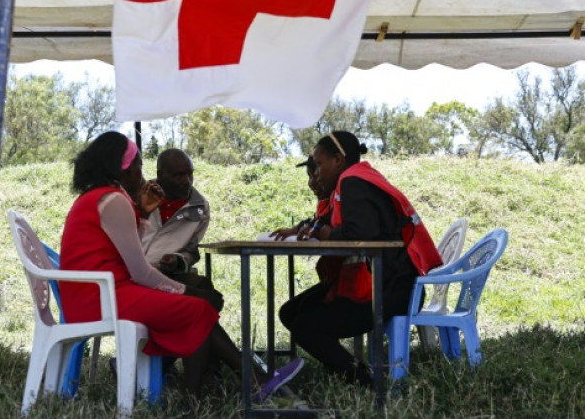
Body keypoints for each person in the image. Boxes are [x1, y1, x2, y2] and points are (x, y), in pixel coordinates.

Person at [58, 131, 303, 399]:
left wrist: (141, 214)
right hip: (100, 298)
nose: (142, 174)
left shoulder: (101, 196)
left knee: (197, 307)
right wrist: (188, 292)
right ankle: (222, 387)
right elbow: (138, 271)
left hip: (95, 294)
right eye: (139, 164)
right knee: (197, 306)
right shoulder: (113, 200)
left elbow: (127, 257)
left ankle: (229, 383)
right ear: (123, 168)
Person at [279, 131, 443, 386]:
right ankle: (344, 365)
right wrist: (316, 228)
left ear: (338, 159)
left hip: (391, 290)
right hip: (383, 282)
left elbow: (362, 233)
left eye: (319, 165)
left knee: (304, 325)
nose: (317, 173)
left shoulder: (353, 182)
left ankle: (362, 378)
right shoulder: (354, 179)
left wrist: (328, 234)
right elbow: (334, 220)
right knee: (291, 311)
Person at [141, 149, 211, 284]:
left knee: (205, 290)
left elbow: (191, 250)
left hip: (167, 277)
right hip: (129, 272)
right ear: (160, 175)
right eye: (179, 175)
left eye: (190, 173)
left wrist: (178, 261)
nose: (187, 181)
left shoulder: (200, 208)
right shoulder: (140, 196)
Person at [268, 156, 331, 241]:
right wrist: (295, 229)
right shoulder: (323, 203)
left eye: (316, 176)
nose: (311, 182)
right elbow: (316, 220)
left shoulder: (336, 203)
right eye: (310, 176)